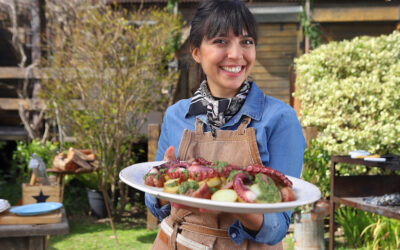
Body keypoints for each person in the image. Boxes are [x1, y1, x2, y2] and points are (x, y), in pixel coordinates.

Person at [145, 0, 305, 249]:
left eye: (247, 42)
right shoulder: (176, 115)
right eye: (221, 41)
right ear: (196, 52)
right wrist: (164, 191)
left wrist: (239, 202)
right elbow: (154, 201)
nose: (236, 54)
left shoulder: (280, 119)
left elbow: (279, 224)